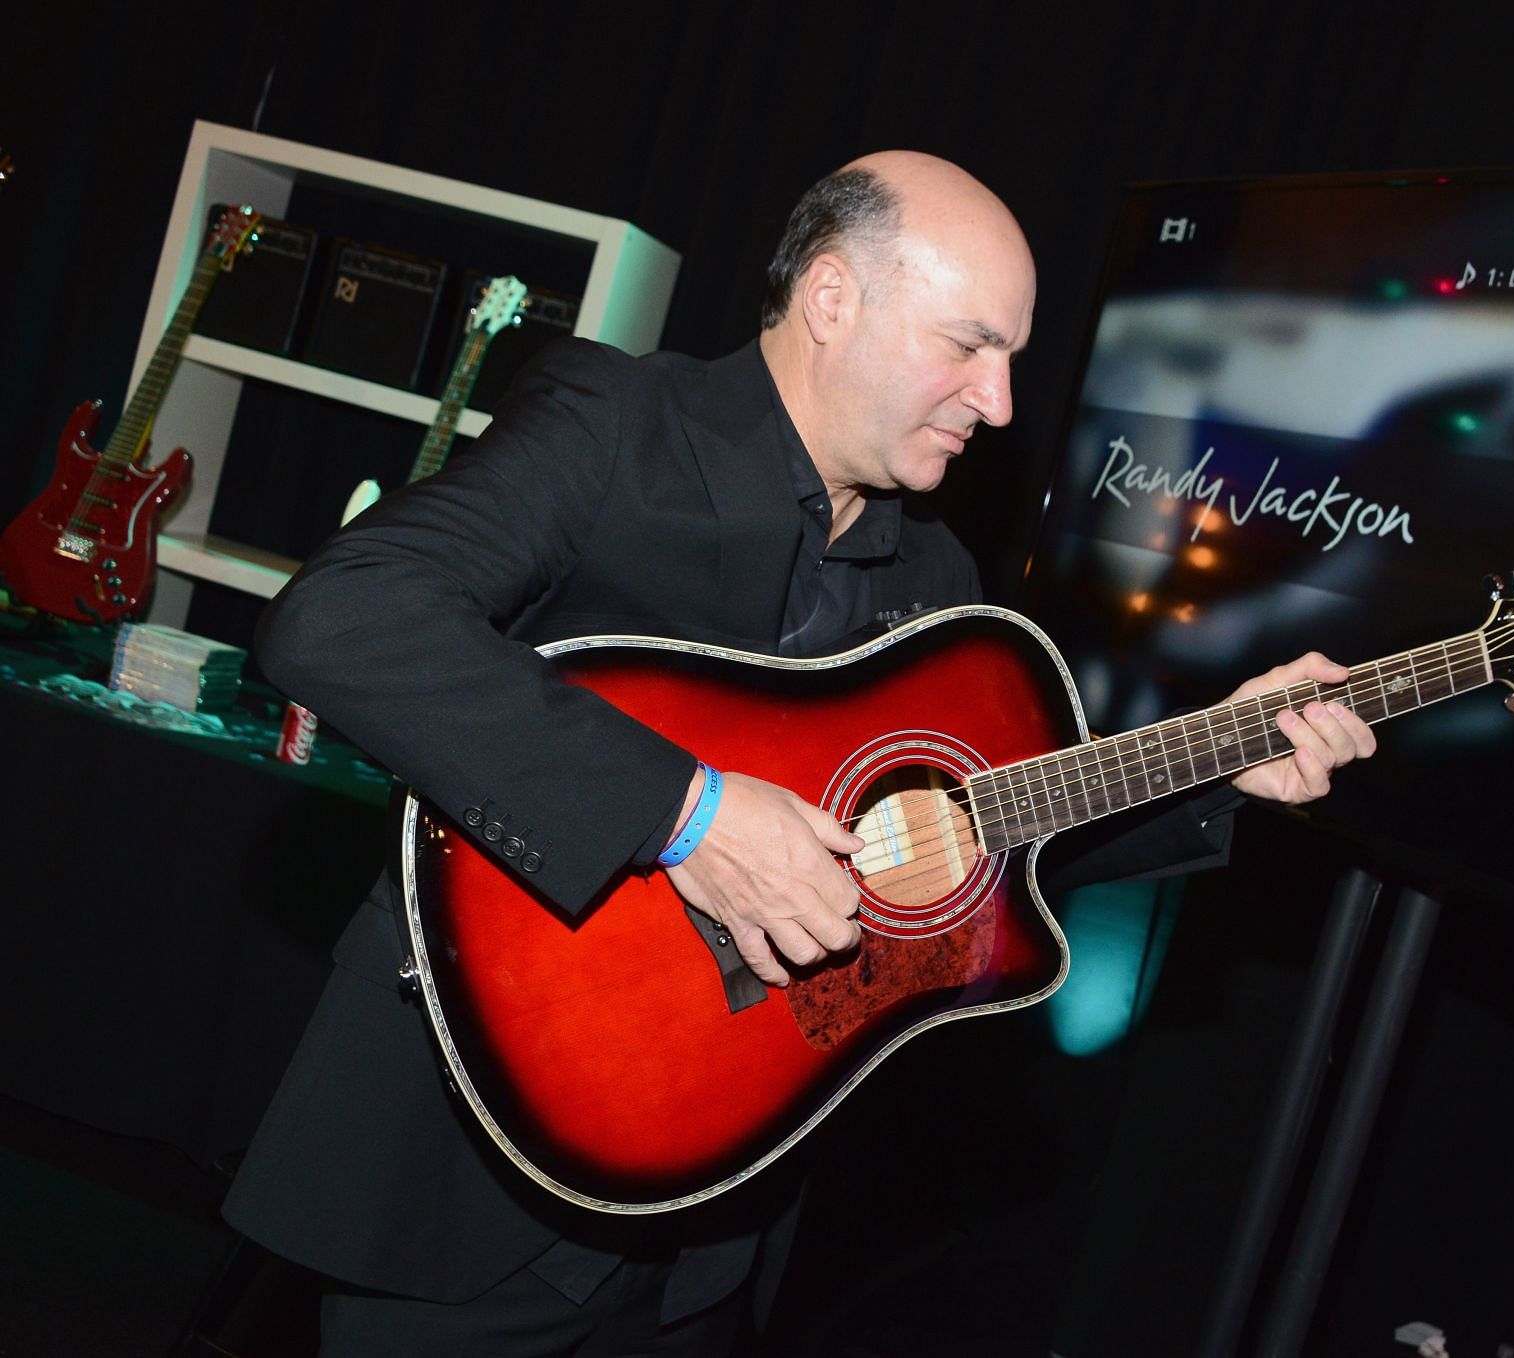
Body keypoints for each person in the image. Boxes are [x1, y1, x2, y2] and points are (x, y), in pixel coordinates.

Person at [222, 150, 1376, 1356]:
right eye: (969, 344)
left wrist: (1218, 766)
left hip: (723, 1218)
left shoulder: (938, 584)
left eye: (1014, 358)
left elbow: (971, 856)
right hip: (471, 1172)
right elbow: (340, 616)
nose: (1001, 403)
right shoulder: (615, 427)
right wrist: (689, 815)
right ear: (832, 301)